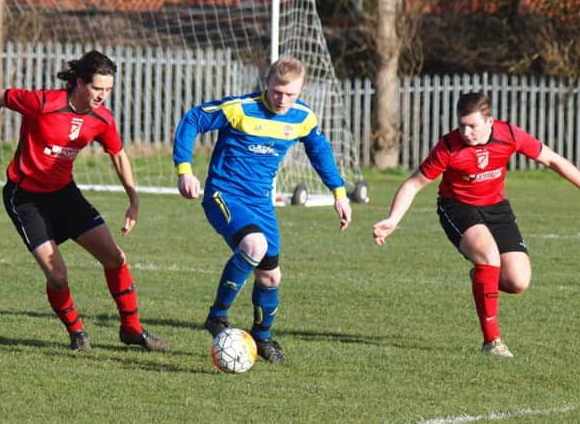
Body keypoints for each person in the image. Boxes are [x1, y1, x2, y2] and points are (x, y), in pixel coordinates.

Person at [0, 50, 169, 352]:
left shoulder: (102, 118)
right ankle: (77, 333)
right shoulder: (43, 103)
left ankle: (132, 329)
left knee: (115, 258)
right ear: (80, 83)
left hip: (65, 195)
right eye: (97, 88)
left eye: (108, 89)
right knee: (57, 275)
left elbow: (118, 155)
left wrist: (134, 200)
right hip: (25, 198)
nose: (103, 95)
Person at [372, 91, 580, 357]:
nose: (466, 132)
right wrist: (393, 219)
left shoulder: (510, 135)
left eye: (472, 125)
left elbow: (552, 159)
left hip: (496, 208)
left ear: (489, 121)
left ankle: (482, 277)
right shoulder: (448, 147)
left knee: (518, 282)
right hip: (457, 207)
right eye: (462, 125)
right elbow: (414, 183)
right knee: (489, 256)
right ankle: (491, 342)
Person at [173, 56, 352, 364]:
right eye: (277, 92)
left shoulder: (302, 118)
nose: (282, 100)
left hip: (260, 203)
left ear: (302, 89)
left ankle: (263, 335)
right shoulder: (240, 108)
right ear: (267, 84)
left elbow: (319, 150)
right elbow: (193, 119)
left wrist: (338, 193)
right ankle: (217, 316)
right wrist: (185, 169)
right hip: (224, 194)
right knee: (255, 245)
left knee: (270, 278)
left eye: (290, 94)